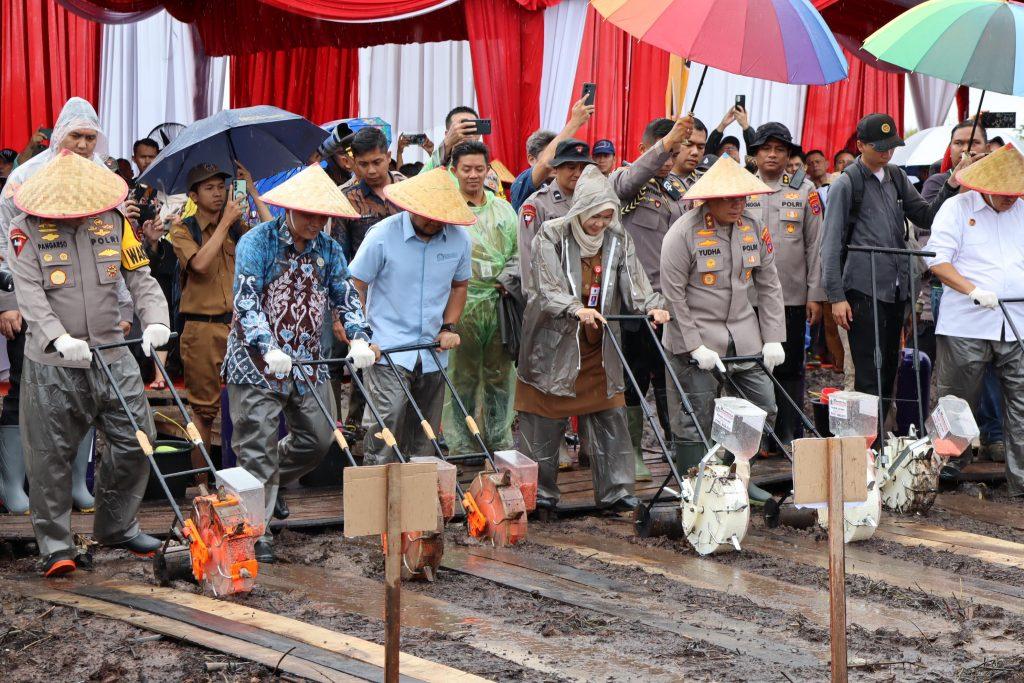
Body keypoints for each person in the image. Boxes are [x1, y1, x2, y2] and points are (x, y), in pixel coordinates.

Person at [10, 150, 171, 575]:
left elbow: (141, 278)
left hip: (112, 354)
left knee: (138, 438)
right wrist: (58, 337)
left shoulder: (114, 223)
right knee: (50, 455)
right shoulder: (25, 230)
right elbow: (29, 294)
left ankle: (117, 525)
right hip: (53, 363)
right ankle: (56, 545)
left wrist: (156, 320)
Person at [225, 164, 376, 563]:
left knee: (319, 439)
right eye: (309, 215)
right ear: (290, 209)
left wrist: (360, 335)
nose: (316, 223)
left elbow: (345, 296)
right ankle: (256, 532)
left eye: (322, 216)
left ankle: (268, 486)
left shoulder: (329, 249)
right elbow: (246, 301)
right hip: (257, 362)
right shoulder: (257, 243)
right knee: (256, 445)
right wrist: (266, 345)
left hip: (308, 360)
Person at [0, 98, 132, 516]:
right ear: (59, 136)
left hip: (94, 311)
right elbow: (4, 243)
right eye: (76, 135)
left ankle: (78, 483)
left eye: (90, 137)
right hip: (34, 304)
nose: (83, 144)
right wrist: (7, 302)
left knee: (89, 395)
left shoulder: (104, 180)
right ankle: (13, 485)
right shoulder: (24, 178)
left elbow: (117, 251)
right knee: (24, 390)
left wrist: (124, 307)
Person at [516, 165, 669, 513]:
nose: (600, 223)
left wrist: (652, 306)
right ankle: (539, 495)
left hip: (599, 344)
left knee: (610, 416)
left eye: (607, 215)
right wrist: (575, 308)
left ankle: (616, 491)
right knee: (544, 422)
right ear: (580, 210)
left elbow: (635, 282)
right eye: (594, 216)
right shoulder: (550, 236)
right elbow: (545, 288)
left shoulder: (618, 239)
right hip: (554, 345)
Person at [821, 113, 970, 416]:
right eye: (880, 147)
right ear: (860, 145)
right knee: (868, 373)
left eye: (891, 146)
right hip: (862, 289)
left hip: (896, 289)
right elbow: (830, 245)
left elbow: (926, 216)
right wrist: (836, 297)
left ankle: (881, 434)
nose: (887, 153)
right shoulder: (846, 184)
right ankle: (868, 438)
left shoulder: (896, 177)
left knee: (890, 368)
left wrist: (952, 183)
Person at [660, 156, 784, 483]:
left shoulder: (754, 227)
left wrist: (773, 337)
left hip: (744, 335)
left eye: (741, 197)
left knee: (762, 406)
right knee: (694, 415)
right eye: (729, 198)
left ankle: (733, 476)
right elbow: (673, 296)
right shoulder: (683, 233)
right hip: (696, 336)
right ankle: (695, 485)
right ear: (710, 198)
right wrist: (694, 346)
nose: (737, 204)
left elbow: (769, 284)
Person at [349, 169, 473, 465]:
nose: (433, 221)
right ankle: (375, 482)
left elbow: (459, 286)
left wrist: (448, 326)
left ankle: (417, 488)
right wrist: (361, 335)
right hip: (387, 346)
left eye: (440, 216)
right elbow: (356, 284)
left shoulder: (459, 239)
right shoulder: (383, 235)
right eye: (427, 215)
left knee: (425, 431)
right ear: (411, 207)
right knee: (387, 422)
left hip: (432, 348)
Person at [925, 144, 1024, 496]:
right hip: (967, 321)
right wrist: (972, 290)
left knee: (1021, 399)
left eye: (1016, 193)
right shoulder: (957, 208)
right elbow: (937, 261)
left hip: (1015, 320)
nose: (1010, 199)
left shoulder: (1021, 210)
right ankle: (946, 469)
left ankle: (1021, 479)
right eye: (1004, 193)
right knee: (957, 399)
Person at [611, 115, 695, 480]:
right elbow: (631, 180)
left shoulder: (677, 188)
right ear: (644, 149)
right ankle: (631, 450)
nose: (668, 160)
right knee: (635, 377)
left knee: (668, 375)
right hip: (635, 302)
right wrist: (667, 142)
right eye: (664, 151)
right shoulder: (625, 180)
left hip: (672, 301)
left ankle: (675, 444)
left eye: (674, 153)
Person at [169, 163, 250, 481]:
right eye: (209, 188)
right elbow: (200, 265)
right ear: (193, 196)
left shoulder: (237, 227)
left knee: (247, 406)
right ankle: (202, 486)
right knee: (203, 412)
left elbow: (274, 239)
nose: (218, 193)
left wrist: (253, 193)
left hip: (239, 327)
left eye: (221, 186)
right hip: (201, 327)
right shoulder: (182, 229)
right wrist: (225, 222)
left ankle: (243, 483)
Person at [745, 123, 824, 449]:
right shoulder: (742, 187)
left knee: (790, 366)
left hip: (791, 296)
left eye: (780, 149)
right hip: (747, 297)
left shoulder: (805, 190)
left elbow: (815, 245)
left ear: (789, 154)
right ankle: (755, 439)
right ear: (755, 154)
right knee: (750, 366)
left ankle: (788, 435)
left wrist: (815, 295)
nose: (773, 155)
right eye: (766, 149)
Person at [442, 142, 519, 456]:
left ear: (488, 169)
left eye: (479, 168)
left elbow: (518, 253)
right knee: (462, 375)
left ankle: (498, 438)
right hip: (460, 303)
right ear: (454, 170)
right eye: (466, 169)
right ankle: (461, 442)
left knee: (499, 374)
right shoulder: (447, 209)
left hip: (498, 301)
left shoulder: (502, 209)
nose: (473, 175)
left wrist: (507, 279)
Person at [517, 139, 594, 287]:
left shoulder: (593, 201)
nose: (578, 174)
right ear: (556, 168)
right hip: (552, 291)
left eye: (583, 168)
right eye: (571, 167)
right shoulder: (537, 204)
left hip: (588, 289)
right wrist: (533, 295)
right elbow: (527, 257)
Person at [510, 96, 595, 212]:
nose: (556, 162)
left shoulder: (573, 189)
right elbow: (545, 164)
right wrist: (575, 122)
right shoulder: (522, 184)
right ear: (531, 159)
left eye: (559, 156)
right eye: (552, 155)